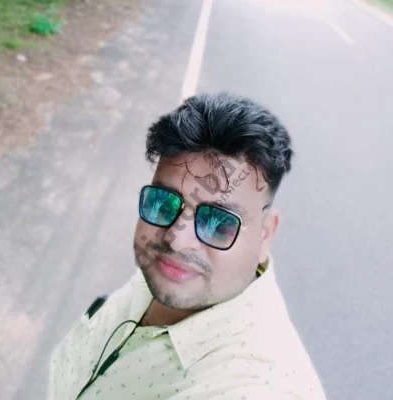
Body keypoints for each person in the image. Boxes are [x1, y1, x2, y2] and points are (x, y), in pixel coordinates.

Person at [48, 92, 326, 399]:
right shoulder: (175, 274)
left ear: (265, 235)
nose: (176, 239)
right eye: (163, 201)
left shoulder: (259, 387)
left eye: (218, 222)